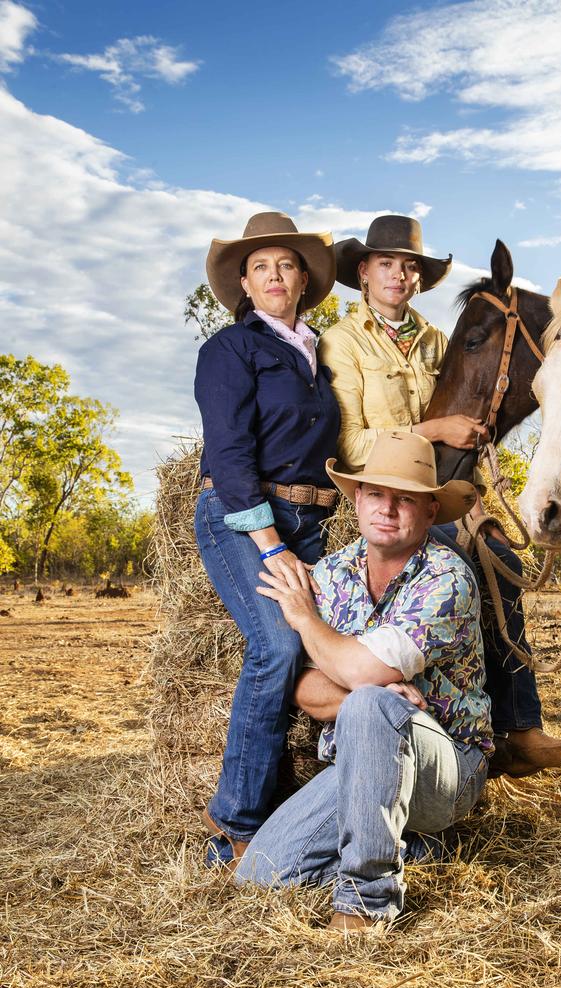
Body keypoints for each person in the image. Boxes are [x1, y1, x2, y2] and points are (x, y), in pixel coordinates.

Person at [318, 215, 561, 777]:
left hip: (433, 495)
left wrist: (477, 509)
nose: (399, 274)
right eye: (386, 263)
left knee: (499, 557)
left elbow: (468, 429)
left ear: (419, 279)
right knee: (455, 567)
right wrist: (433, 433)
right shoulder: (341, 342)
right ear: (363, 272)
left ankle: (517, 726)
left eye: (409, 266)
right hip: (376, 494)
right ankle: (457, 725)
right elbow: (352, 443)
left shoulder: (439, 342)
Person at [235, 431, 492, 931]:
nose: (387, 509)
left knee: (371, 703)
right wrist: (362, 690)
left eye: (405, 499)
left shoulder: (447, 579)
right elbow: (301, 687)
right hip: (359, 766)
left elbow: (361, 672)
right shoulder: (329, 576)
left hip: (447, 767)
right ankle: (411, 843)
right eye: (375, 493)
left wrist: (310, 624)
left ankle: (366, 903)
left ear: (432, 511)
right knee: (259, 875)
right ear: (357, 498)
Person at [194, 211, 341, 868]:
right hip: (241, 516)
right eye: (261, 267)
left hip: (311, 522)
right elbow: (228, 459)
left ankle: (308, 798)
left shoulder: (320, 354)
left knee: (329, 649)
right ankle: (237, 824)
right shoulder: (230, 351)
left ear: (303, 278)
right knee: (278, 645)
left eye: (285, 264)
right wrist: (273, 548)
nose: (275, 276)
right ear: (245, 286)